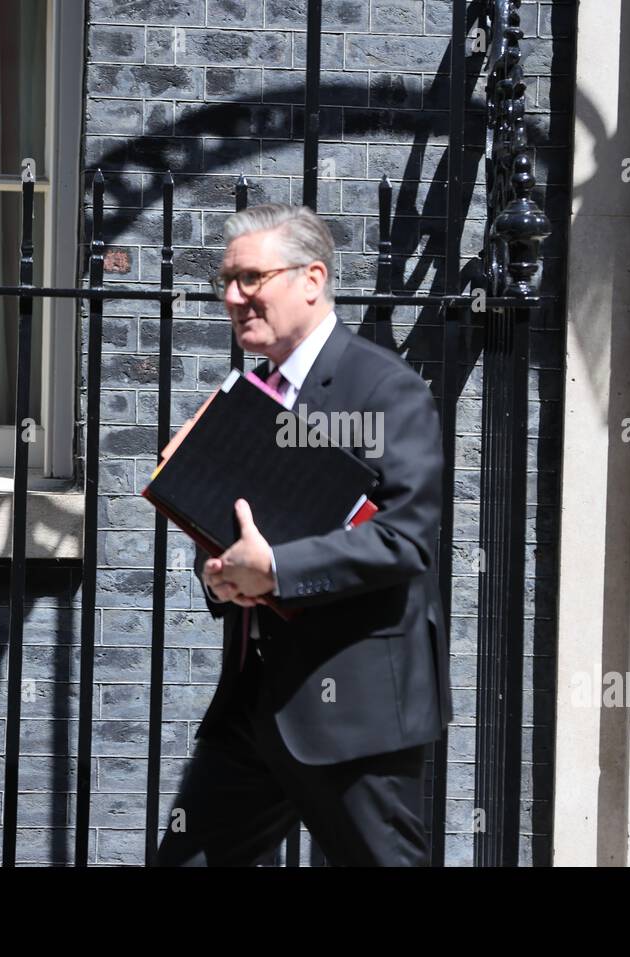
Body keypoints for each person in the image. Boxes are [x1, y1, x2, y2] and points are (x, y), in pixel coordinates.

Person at [153, 203, 452, 866]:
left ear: (312, 279)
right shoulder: (250, 393)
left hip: (357, 707)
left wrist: (278, 569)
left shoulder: (385, 389)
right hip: (252, 703)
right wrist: (225, 575)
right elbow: (247, 537)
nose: (233, 296)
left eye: (251, 277)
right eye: (227, 281)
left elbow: (406, 538)